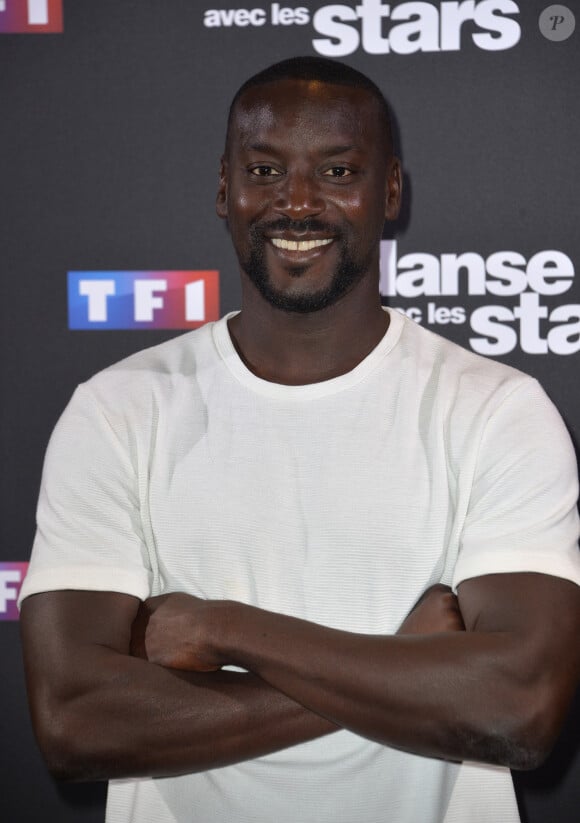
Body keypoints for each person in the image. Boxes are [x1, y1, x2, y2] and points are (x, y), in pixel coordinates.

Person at [19, 56, 580, 823]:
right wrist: (407, 664)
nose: (299, 202)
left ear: (389, 192)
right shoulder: (119, 409)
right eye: (264, 169)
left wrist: (226, 627)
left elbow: (519, 707)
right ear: (225, 189)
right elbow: (74, 720)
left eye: (339, 169)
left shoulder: (496, 410)